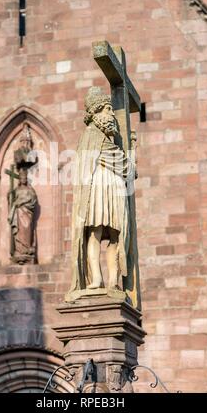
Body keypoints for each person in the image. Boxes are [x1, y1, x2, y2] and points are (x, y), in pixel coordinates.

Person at [68, 86, 134, 298]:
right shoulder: (91, 137)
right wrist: (131, 154)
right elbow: (128, 168)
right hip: (96, 192)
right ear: (95, 113)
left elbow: (128, 170)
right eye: (107, 109)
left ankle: (113, 281)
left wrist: (130, 152)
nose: (112, 113)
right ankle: (96, 279)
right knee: (94, 232)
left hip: (113, 191)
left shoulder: (106, 141)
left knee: (115, 234)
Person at [8, 168, 38, 264]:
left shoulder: (30, 189)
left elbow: (33, 199)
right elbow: (11, 200)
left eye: (25, 177)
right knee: (18, 232)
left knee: (27, 228)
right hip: (18, 213)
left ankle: (27, 249)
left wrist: (23, 201)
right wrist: (9, 195)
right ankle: (19, 250)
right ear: (20, 179)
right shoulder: (16, 190)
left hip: (27, 213)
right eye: (22, 177)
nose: (23, 179)